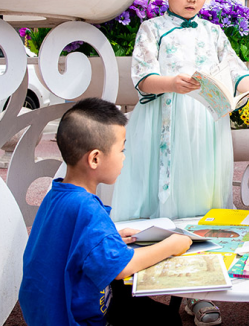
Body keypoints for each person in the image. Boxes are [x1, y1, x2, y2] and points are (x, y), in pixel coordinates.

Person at [110, 0, 249, 326]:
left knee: (204, 202)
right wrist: (170, 83)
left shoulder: (213, 33)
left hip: (206, 128)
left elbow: (234, 69)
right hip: (164, 126)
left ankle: (200, 291)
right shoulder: (152, 29)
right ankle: (144, 282)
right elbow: (142, 79)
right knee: (161, 201)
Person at [18, 98, 192, 326]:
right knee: (166, 320)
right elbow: (122, 267)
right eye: (122, 149)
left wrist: (110, 236)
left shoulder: (57, 193)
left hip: (47, 314)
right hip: (77, 319)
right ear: (95, 158)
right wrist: (172, 244)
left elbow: (65, 241)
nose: (124, 157)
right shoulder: (86, 207)